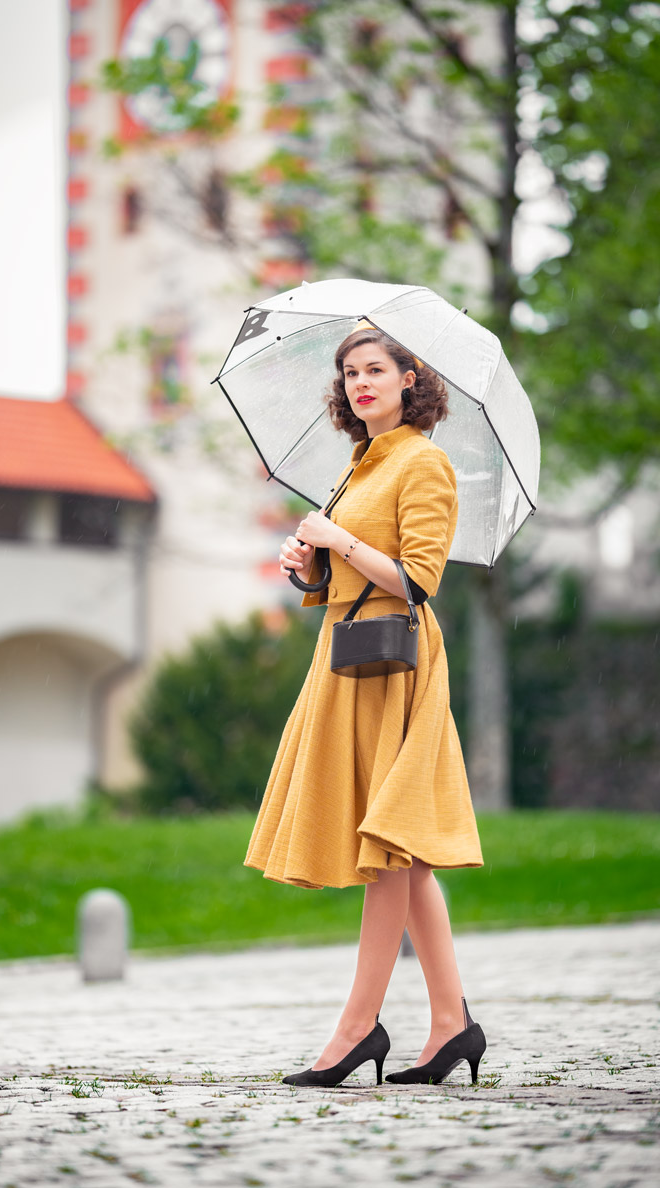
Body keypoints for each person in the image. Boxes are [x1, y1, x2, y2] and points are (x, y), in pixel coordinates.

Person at [244, 325, 486, 1088]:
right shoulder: (359, 467)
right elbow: (343, 579)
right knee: (399, 849)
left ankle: (358, 1029)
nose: (360, 383)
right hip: (349, 662)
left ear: (412, 379)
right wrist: (306, 566)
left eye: (376, 369)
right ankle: (452, 1024)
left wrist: (335, 540)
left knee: (387, 841)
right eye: (350, 373)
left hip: (396, 666)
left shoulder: (424, 462)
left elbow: (417, 580)